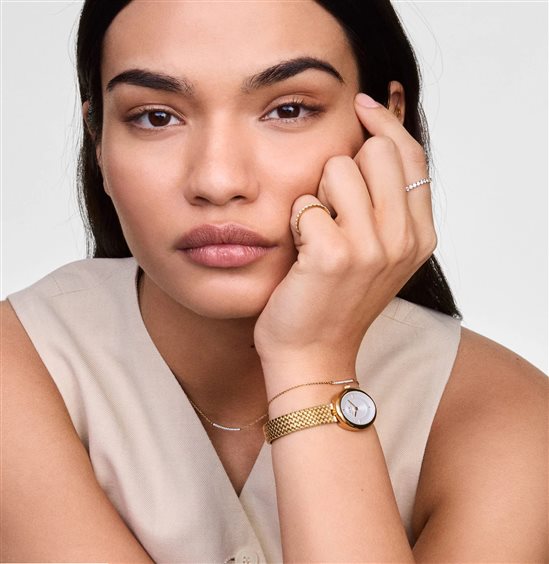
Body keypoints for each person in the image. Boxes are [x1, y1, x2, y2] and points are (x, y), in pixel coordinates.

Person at [2, 1, 546, 562]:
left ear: (385, 124)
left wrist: (310, 361)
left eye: (288, 110)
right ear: (97, 138)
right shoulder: (21, 364)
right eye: (156, 117)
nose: (218, 180)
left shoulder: (507, 421)